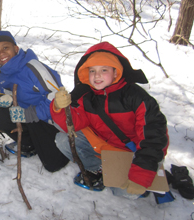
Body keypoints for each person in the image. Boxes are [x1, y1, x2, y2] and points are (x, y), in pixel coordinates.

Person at [50, 42, 169, 196]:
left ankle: (139, 175)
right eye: (92, 70)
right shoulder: (87, 96)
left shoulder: (137, 98)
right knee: (62, 139)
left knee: (124, 193)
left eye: (104, 70)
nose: (97, 75)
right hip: (105, 146)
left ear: (116, 72)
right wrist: (59, 107)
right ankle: (99, 168)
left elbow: (154, 138)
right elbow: (73, 124)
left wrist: (141, 174)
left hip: (132, 152)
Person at [0, 30, 69, 172]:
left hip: (49, 120)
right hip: (28, 118)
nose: (1, 53)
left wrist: (30, 114)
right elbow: (3, 92)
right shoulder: (3, 73)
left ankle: (58, 145)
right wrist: (5, 100)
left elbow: (57, 95)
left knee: (54, 164)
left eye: (6, 47)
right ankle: (30, 144)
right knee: (3, 118)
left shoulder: (32, 67)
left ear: (16, 49)